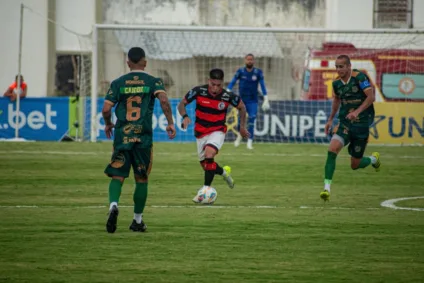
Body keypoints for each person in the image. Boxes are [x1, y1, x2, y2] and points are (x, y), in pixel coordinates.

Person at [102, 47, 176, 233]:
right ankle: (137, 220)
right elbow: (164, 101)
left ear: (128, 63)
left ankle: (113, 206)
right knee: (141, 178)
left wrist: (109, 124)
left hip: (122, 136)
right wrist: (170, 123)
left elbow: (105, 109)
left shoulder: (118, 83)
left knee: (117, 175)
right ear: (145, 62)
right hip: (142, 137)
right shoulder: (153, 82)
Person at [177, 68, 249, 203]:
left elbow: (242, 107)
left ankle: (205, 191)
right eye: (213, 84)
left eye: (219, 85)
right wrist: (185, 116)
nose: (215, 88)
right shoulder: (199, 91)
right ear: (208, 81)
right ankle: (224, 173)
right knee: (206, 166)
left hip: (217, 130)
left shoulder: (227, 96)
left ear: (222, 83)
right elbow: (182, 104)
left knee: (209, 154)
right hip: (200, 133)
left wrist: (242, 127)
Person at [320, 55, 381, 202]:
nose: (338, 69)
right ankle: (326, 189)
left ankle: (373, 159)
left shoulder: (359, 77)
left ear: (348, 66)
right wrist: (330, 120)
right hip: (345, 123)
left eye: (341, 66)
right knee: (332, 150)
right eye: (336, 66)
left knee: (355, 164)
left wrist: (357, 112)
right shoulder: (336, 83)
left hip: (361, 124)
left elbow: (371, 97)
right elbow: (336, 100)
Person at [227, 53, 270, 150]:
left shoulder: (258, 72)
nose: (249, 61)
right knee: (240, 122)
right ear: (245, 60)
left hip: (253, 101)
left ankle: (249, 142)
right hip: (242, 101)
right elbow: (233, 81)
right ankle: (239, 136)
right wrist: (228, 91)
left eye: (251, 59)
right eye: (248, 59)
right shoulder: (240, 72)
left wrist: (266, 98)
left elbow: (262, 85)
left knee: (252, 119)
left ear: (253, 61)